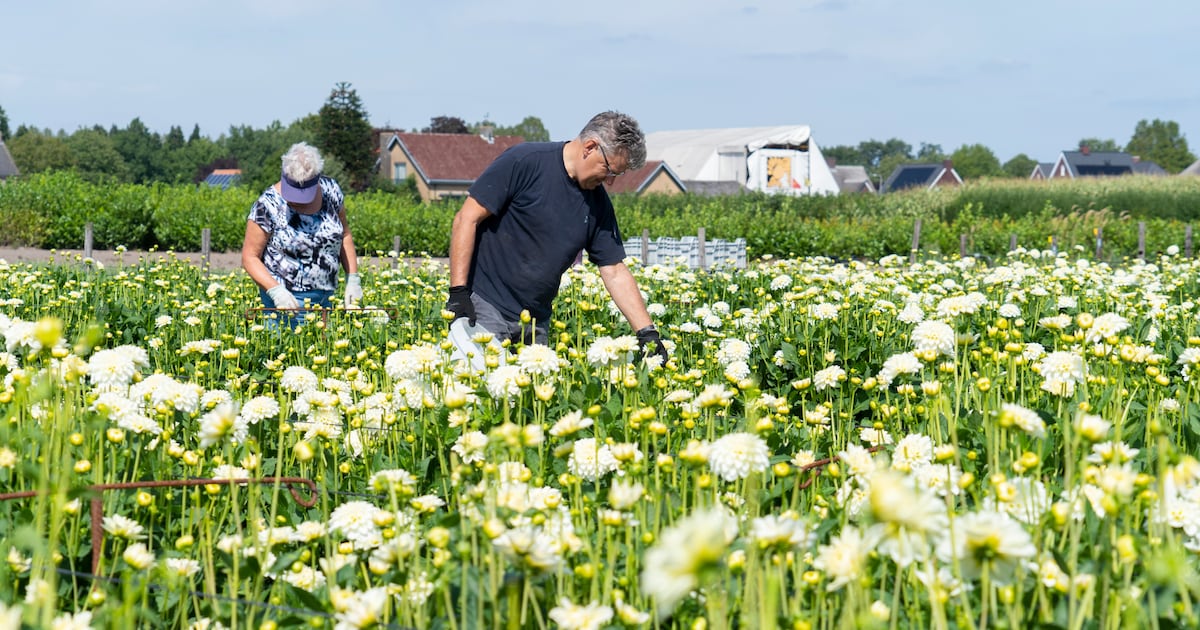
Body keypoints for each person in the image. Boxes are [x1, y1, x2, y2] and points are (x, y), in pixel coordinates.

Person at [445, 111, 668, 361]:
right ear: (590, 147)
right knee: (479, 393)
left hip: (535, 322)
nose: (610, 182)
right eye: (609, 171)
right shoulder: (525, 161)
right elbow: (466, 219)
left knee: (531, 399)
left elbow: (614, 269)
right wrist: (458, 294)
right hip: (485, 308)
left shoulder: (598, 205)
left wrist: (647, 333)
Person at [242, 142, 362, 327]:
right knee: (286, 352)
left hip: (326, 300)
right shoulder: (267, 206)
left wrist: (352, 279)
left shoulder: (331, 191)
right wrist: (276, 291)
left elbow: (344, 234)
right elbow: (250, 257)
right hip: (286, 304)